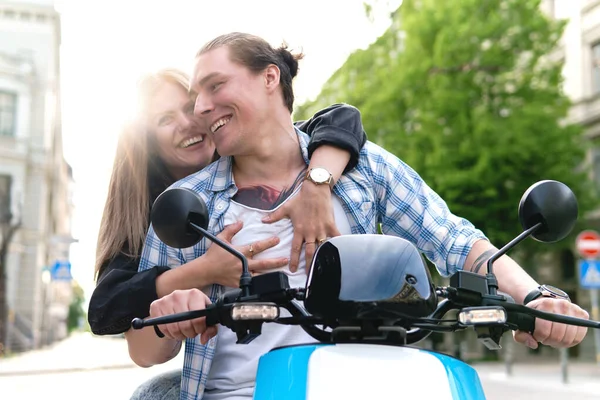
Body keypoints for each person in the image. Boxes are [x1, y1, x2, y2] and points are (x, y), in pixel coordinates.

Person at [129, 33, 590, 400]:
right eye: (197, 95)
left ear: (270, 78)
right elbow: (142, 349)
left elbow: (455, 240)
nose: (201, 107)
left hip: (368, 384)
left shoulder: (365, 168)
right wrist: (168, 318)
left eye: (215, 85)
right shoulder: (187, 201)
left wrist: (535, 296)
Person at [86, 68, 367, 399]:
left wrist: (317, 184)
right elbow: (107, 308)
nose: (188, 122)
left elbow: (341, 119)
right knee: (155, 393)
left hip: (314, 361)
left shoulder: (264, 156)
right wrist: (205, 270)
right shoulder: (145, 213)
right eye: (165, 119)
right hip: (216, 366)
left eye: (190, 106)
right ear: (149, 147)